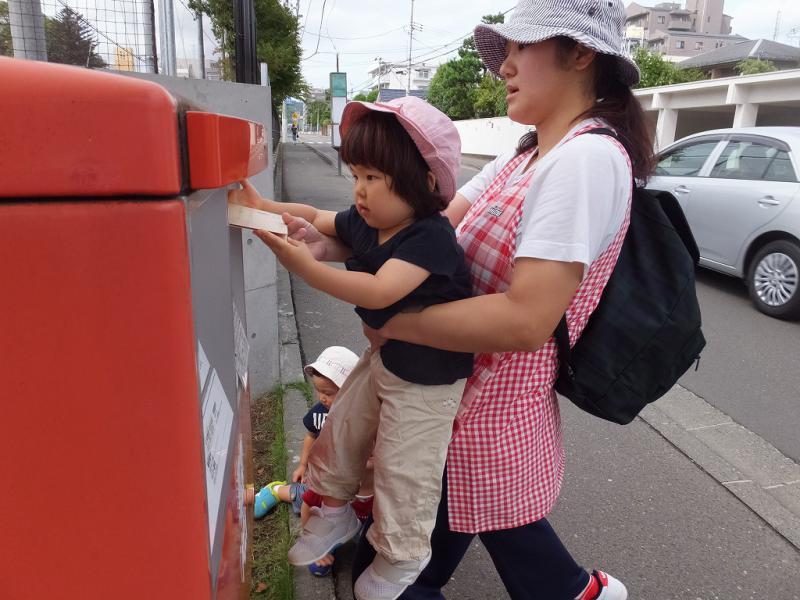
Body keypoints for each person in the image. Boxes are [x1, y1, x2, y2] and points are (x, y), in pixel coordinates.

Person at [335, 1, 654, 598]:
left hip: (483, 407)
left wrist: (392, 320)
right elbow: (429, 225)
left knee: (395, 577)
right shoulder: (526, 154)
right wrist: (327, 235)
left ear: (581, 54)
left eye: (521, 48)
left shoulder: (585, 160)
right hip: (449, 393)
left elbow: (526, 319)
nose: (504, 66)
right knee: (453, 554)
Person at [229, 96, 474, 600]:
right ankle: (335, 513)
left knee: (404, 471)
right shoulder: (372, 219)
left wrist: (307, 267)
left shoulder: (430, 237)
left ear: (426, 182)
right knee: (338, 430)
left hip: (427, 383)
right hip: (387, 358)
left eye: (373, 177)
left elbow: (381, 290)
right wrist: (268, 211)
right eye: (356, 174)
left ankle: (402, 557)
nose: (359, 189)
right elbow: (318, 219)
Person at [253, 345, 371, 577]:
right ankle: (277, 491)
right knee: (305, 496)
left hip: (361, 498)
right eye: (319, 391)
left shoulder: (366, 420)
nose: (323, 398)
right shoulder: (320, 414)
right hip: (327, 484)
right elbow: (310, 436)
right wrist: (303, 465)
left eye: (329, 392)